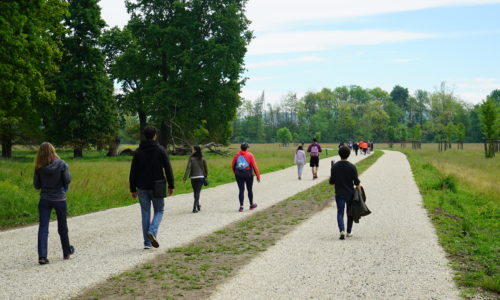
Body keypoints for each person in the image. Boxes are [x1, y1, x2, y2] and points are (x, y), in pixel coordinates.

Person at [129, 126, 175, 249]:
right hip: (158, 185)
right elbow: (168, 168)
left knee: (145, 213)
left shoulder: (138, 151)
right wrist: (171, 185)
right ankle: (152, 231)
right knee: (159, 210)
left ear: (145, 136)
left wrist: (132, 188)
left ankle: (147, 243)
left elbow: (133, 171)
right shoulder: (161, 150)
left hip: (142, 186)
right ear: (155, 135)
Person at [33, 142, 74, 265]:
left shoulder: (38, 166)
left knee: (43, 227)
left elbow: (37, 185)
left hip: (45, 199)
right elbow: (68, 180)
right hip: (59, 199)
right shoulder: (61, 164)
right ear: (53, 150)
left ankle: (42, 257)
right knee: (62, 226)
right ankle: (66, 252)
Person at [329, 146, 361, 240]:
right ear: (349, 154)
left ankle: (341, 230)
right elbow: (356, 182)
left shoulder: (334, 167)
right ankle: (349, 231)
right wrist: (359, 190)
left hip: (339, 193)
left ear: (339, 154)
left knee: (340, 212)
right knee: (349, 212)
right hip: (350, 193)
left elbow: (331, 182)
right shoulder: (352, 167)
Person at [232, 142, 261, 212]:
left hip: (238, 174)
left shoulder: (236, 155)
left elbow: (233, 165)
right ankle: (251, 205)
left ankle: (241, 207)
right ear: (247, 148)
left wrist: (235, 173)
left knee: (241, 190)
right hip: (248, 174)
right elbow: (254, 166)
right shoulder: (250, 155)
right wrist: (258, 176)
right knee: (249, 190)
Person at [183, 146, 208, 213]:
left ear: (196, 150)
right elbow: (206, 169)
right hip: (201, 177)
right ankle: (196, 206)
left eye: (193, 149)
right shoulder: (203, 158)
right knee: (197, 192)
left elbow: (188, 168)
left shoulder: (191, 158)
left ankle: (196, 206)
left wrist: (185, 178)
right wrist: (205, 176)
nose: (192, 150)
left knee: (196, 192)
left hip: (193, 178)